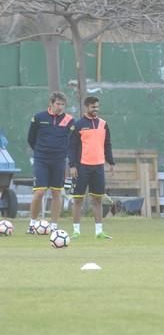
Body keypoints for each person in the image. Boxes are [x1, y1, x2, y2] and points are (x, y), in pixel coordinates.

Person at [26, 92, 75, 234]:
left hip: (59, 160)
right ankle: (32, 224)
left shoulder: (70, 120)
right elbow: (31, 138)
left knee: (56, 192)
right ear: (51, 104)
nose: (60, 107)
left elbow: (72, 141)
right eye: (58, 104)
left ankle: (54, 226)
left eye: (62, 104)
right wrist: (40, 151)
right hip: (41, 159)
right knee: (40, 191)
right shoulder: (38, 118)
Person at [69, 95, 115, 239]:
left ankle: (99, 232)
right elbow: (72, 147)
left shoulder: (103, 124)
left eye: (97, 106)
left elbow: (107, 144)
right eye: (93, 107)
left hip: (98, 167)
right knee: (78, 199)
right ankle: (76, 231)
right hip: (82, 167)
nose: (96, 109)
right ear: (86, 107)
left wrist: (111, 162)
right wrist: (72, 165)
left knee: (97, 200)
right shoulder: (78, 124)